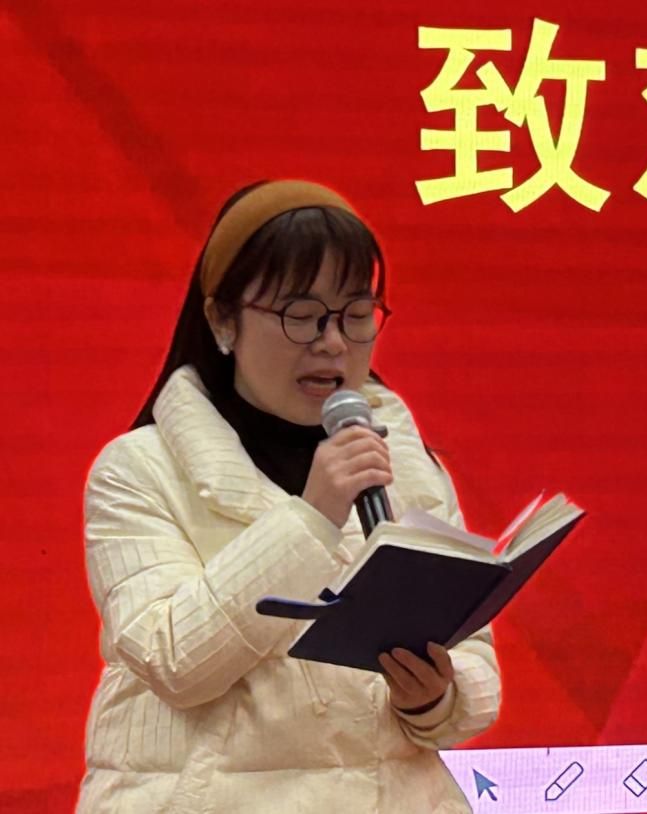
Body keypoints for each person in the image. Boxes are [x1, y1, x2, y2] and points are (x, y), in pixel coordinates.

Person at [77, 180, 500, 812]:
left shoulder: (407, 468)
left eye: (357, 314)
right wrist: (311, 517)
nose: (333, 342)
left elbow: (474, 665)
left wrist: (434, 698)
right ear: (222, 321)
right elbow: (175, 663)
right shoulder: (137, 470)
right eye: (301, 315)